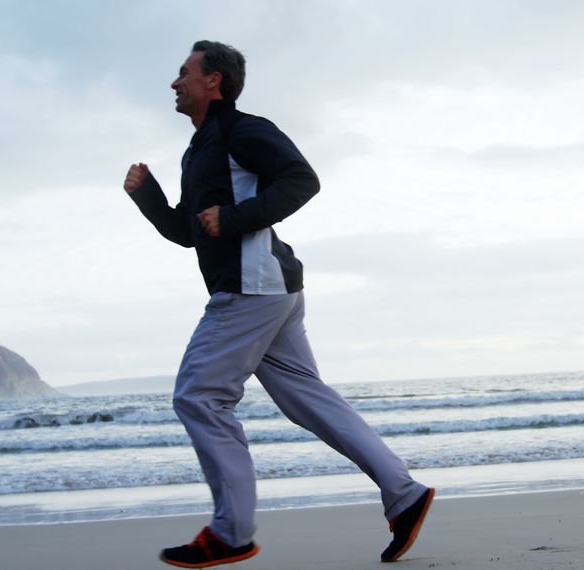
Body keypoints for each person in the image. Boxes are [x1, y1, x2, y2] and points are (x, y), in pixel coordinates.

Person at [122, 40, 434, 568]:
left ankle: (231, 532)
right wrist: (148, 197)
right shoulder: (198, 150)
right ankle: (403, 493)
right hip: (269, 289)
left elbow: (301, 178)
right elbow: (190, 232)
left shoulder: (243, 130)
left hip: (252, 286)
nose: (174, 84)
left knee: (199, 397)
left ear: (213, 80)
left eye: (183, 73)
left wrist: (238, 218)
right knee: (307, 399)